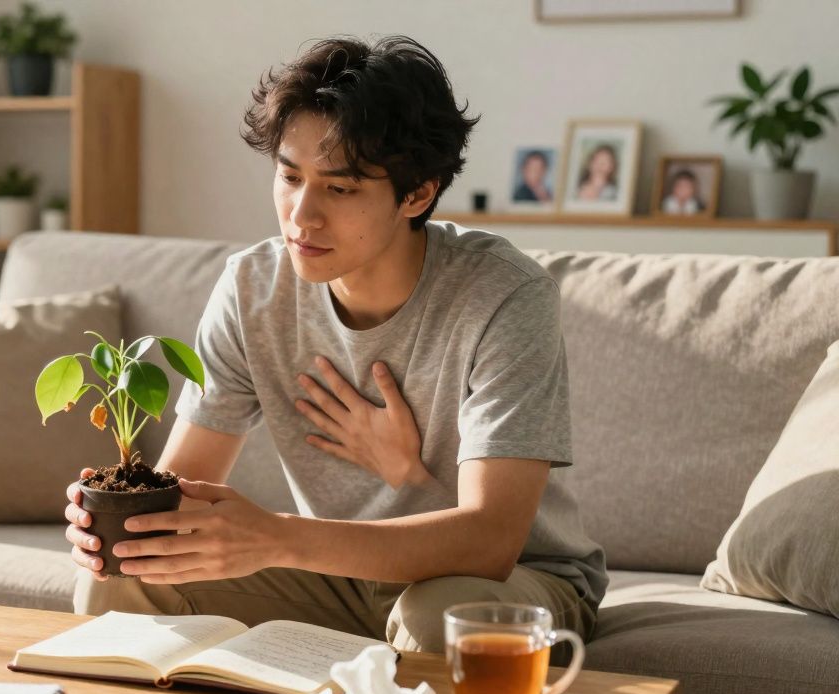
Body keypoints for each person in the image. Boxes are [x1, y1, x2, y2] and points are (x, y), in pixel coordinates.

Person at [64, 36, 607, 655]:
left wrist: (279, 535)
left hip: (509, 582)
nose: (301, 216)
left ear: (418, 194)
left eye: (340, 189)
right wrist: (119, 527)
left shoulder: (505, 296)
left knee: (440, 619)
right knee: (121, 582)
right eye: (289, 177)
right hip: (342, 571)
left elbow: (491, 542)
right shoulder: (252, 287)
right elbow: (184, 486)